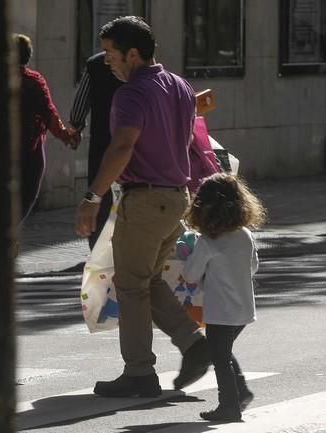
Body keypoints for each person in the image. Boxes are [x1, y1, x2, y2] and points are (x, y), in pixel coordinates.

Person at [74, 16, 210, 398]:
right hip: (175, 196)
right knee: (146, 280)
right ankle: (193, 343)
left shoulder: (130, 94)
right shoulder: (180, 85)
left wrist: (92, 196)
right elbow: (184, 139)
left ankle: (139, 373)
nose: (108, 62)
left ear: (133, 54)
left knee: (130, 285)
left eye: (112, 54)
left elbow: (122, 146)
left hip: (146, 198)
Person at [182, 172, 266, 422]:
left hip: (220, 311)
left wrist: (188, 253)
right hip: (243, 310)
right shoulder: (245, 235)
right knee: (223, 352)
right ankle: (240, 393)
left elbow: (190, 275)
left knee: (219, 357)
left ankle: (229, 404)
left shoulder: (208, 241)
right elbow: (253, 267)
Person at [14, 33, 77, 223]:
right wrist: (67, 136)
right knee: (25, 198)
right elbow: (49, 113)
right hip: (29, 152)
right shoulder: (33, 81)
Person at [70, 51, 123, 250]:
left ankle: (98, 247)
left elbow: (81, 99)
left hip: (102, 139)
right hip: (133, 142)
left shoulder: (95, 63)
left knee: (100, 193)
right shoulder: (140, 66)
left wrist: (76, 126)